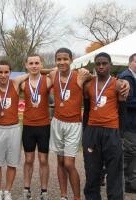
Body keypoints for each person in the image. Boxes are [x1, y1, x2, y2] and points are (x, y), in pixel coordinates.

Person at [83, 52, 127, 200]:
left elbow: (123, 112)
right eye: (98, 64)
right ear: (95, 66)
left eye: (104, 63)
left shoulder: (119, 84)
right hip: (92, 131)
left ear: (110, 65)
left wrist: (120, 135)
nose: (101, 66)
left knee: (114, 171)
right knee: (92, 170)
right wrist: (85, 133)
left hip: (112, 131)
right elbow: (87, 110)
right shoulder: (88, 85)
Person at [48, 48, 91, 200]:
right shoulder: (53, 74)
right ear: (55, 61)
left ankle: (77, 197)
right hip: (57, 122)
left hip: (73, 124)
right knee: (60, 161)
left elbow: (94, 77)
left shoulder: (79, 76)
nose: (62, 62)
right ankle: (63, 195)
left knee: (69, 163)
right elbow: (40, 71)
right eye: (58, 59)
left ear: (71, 60)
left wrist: (122, 81)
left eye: (65, 59)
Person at [0, 60, 28, 200]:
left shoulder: (15, 83)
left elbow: (34, 71)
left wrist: (49, 69)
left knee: (12, 162)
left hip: (14, 129)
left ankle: (8, 191)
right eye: (0, 72)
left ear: (10, 73)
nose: (3, 75)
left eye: (6, 72)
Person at [21, 54, 52, 200]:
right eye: (31, 63)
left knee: (43, 160)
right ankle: (26, 190)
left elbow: (58, 70)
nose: (34, 65)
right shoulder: (23, 83)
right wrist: (29, 73)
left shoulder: (47, 81)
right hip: (28, 126)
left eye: (37, 63)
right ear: (26, 65)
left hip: (44, 126)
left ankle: (44, 191)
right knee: (28, 159)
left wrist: (42, 71)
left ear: (41, 64)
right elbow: (11, 81)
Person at [118, 53, 136, 193]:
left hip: (132, 122)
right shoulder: (127, 77)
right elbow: (126, 101)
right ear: (130, 63)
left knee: (131, 152)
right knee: (129, 152)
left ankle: (130, 181)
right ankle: (127, 182)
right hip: (129, 122)